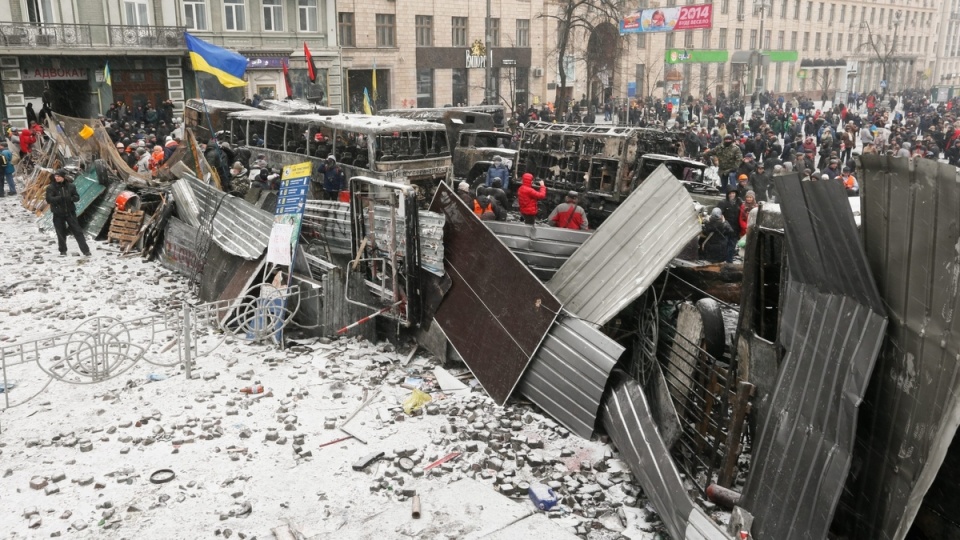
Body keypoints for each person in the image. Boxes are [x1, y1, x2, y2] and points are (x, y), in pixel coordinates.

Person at [45, 169, 91, 257]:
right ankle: (63, 251)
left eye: (58, 176)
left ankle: (86, 251)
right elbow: (48, 199)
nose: (56, 178)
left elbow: (77, 197)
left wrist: (70, 198)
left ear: (63, 177)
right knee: (60, 232)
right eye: (55, 176)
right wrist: (59, 198)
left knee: (78, 232)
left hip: (70, 212)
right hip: (58, 213)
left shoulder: (71, 186)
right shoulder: (51, 187)